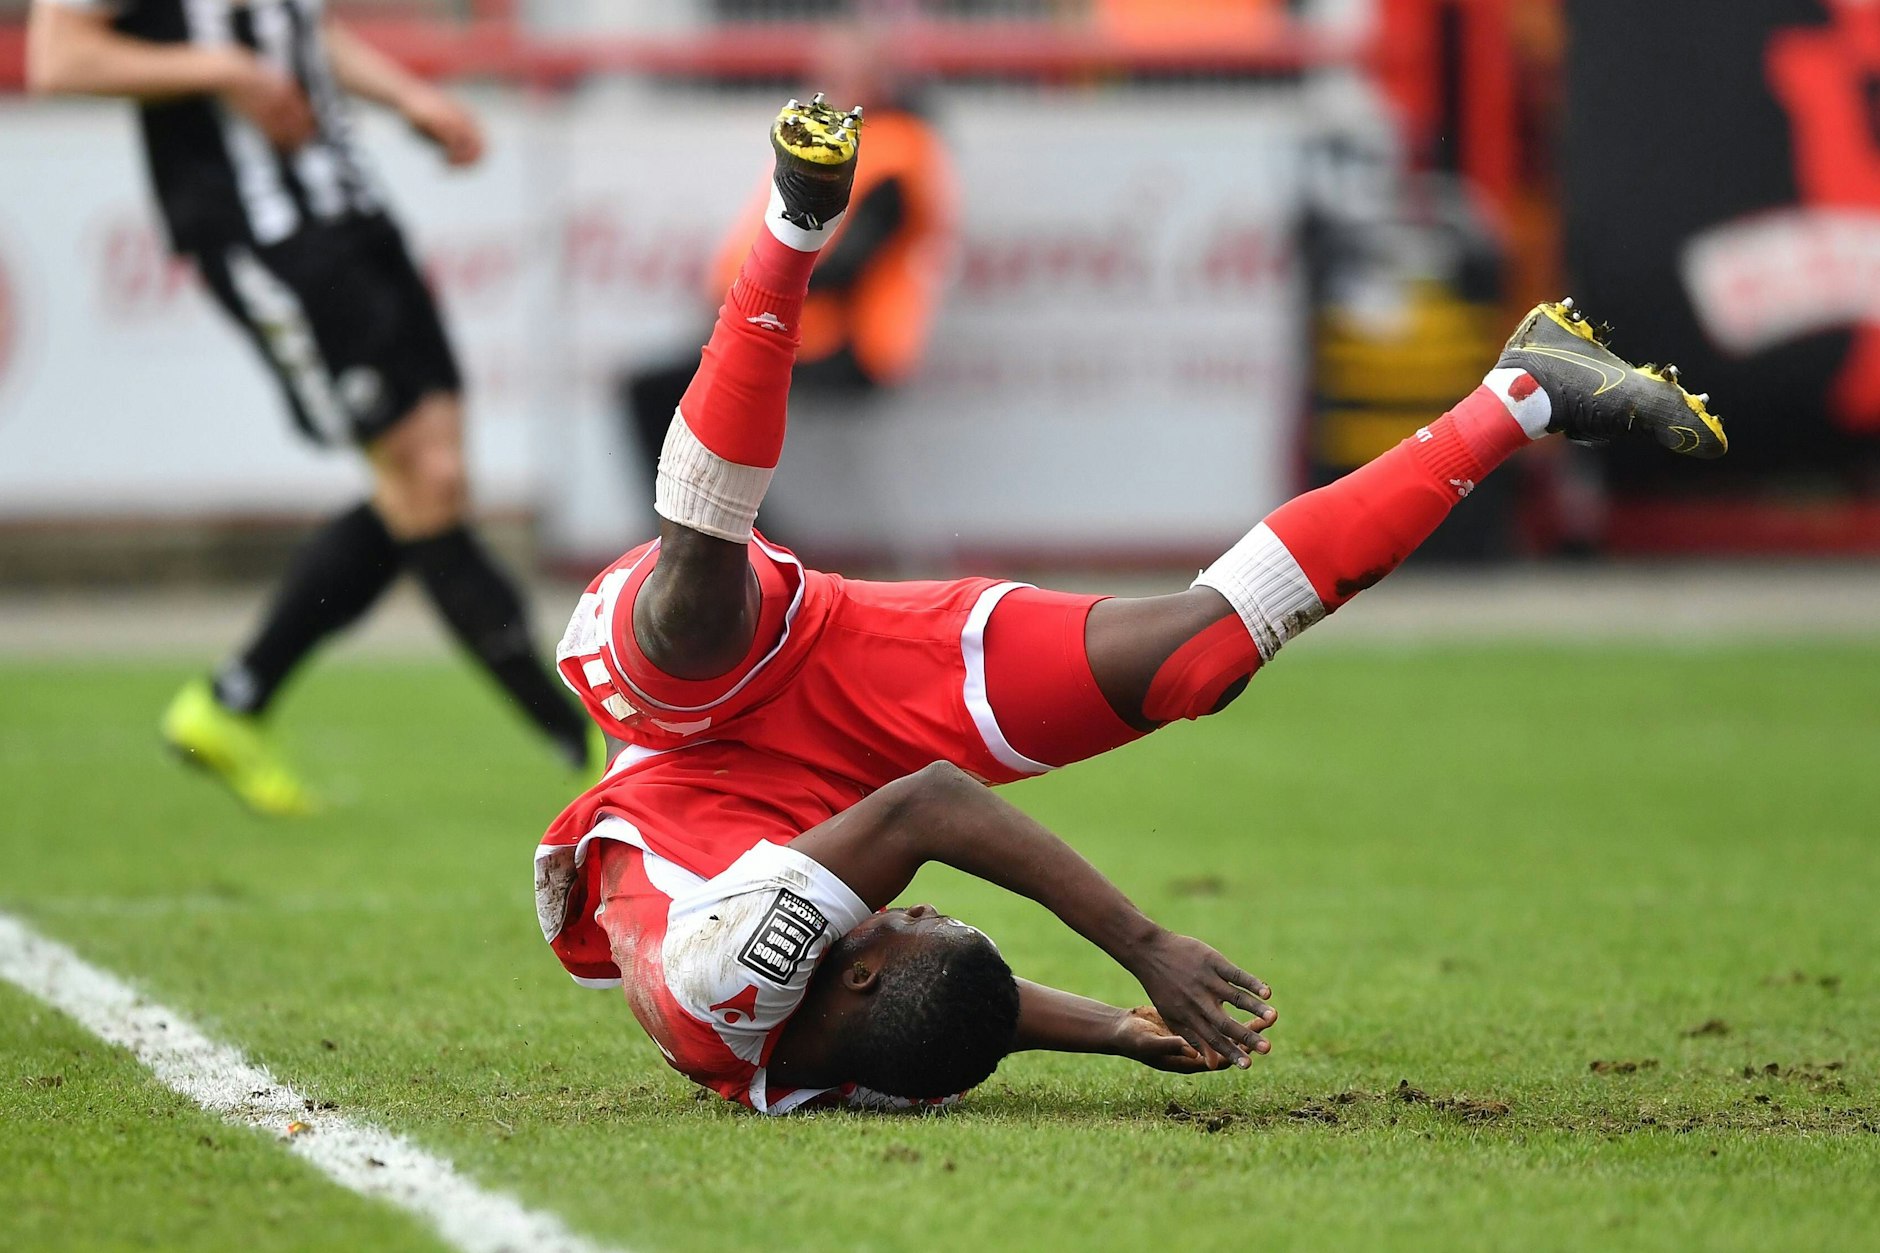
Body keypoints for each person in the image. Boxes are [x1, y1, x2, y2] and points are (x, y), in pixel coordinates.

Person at [533, 98, 1728, 1113]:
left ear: (852, 977)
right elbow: (945, 1011)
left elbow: (931, 808)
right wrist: (1110, 1029)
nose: (913, 909)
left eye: (913, 923)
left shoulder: (729, 979)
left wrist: (1144, 948)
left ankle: (791, 229)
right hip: (841, 755)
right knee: (1195, 658)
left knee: (694, 609)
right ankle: (1523, 393)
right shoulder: (823, 1060)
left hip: (693, 731)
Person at [27, 0, 593, 815]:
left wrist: (409, 98)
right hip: (261, 232)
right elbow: (59, 57)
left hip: (351, 208)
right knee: (421, 478)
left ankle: (233, 702)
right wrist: (221, 71)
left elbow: (296, 29)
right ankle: (580, 740)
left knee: (433, 488)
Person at [617, 73, 954, 535]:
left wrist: (755, 302)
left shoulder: (896, 152)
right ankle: (730, 536)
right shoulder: (863, 147)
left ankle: (723, 538)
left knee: (664, 391)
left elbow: (848, 268)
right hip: (795, 332)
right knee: (679, 389)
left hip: (841, 345)